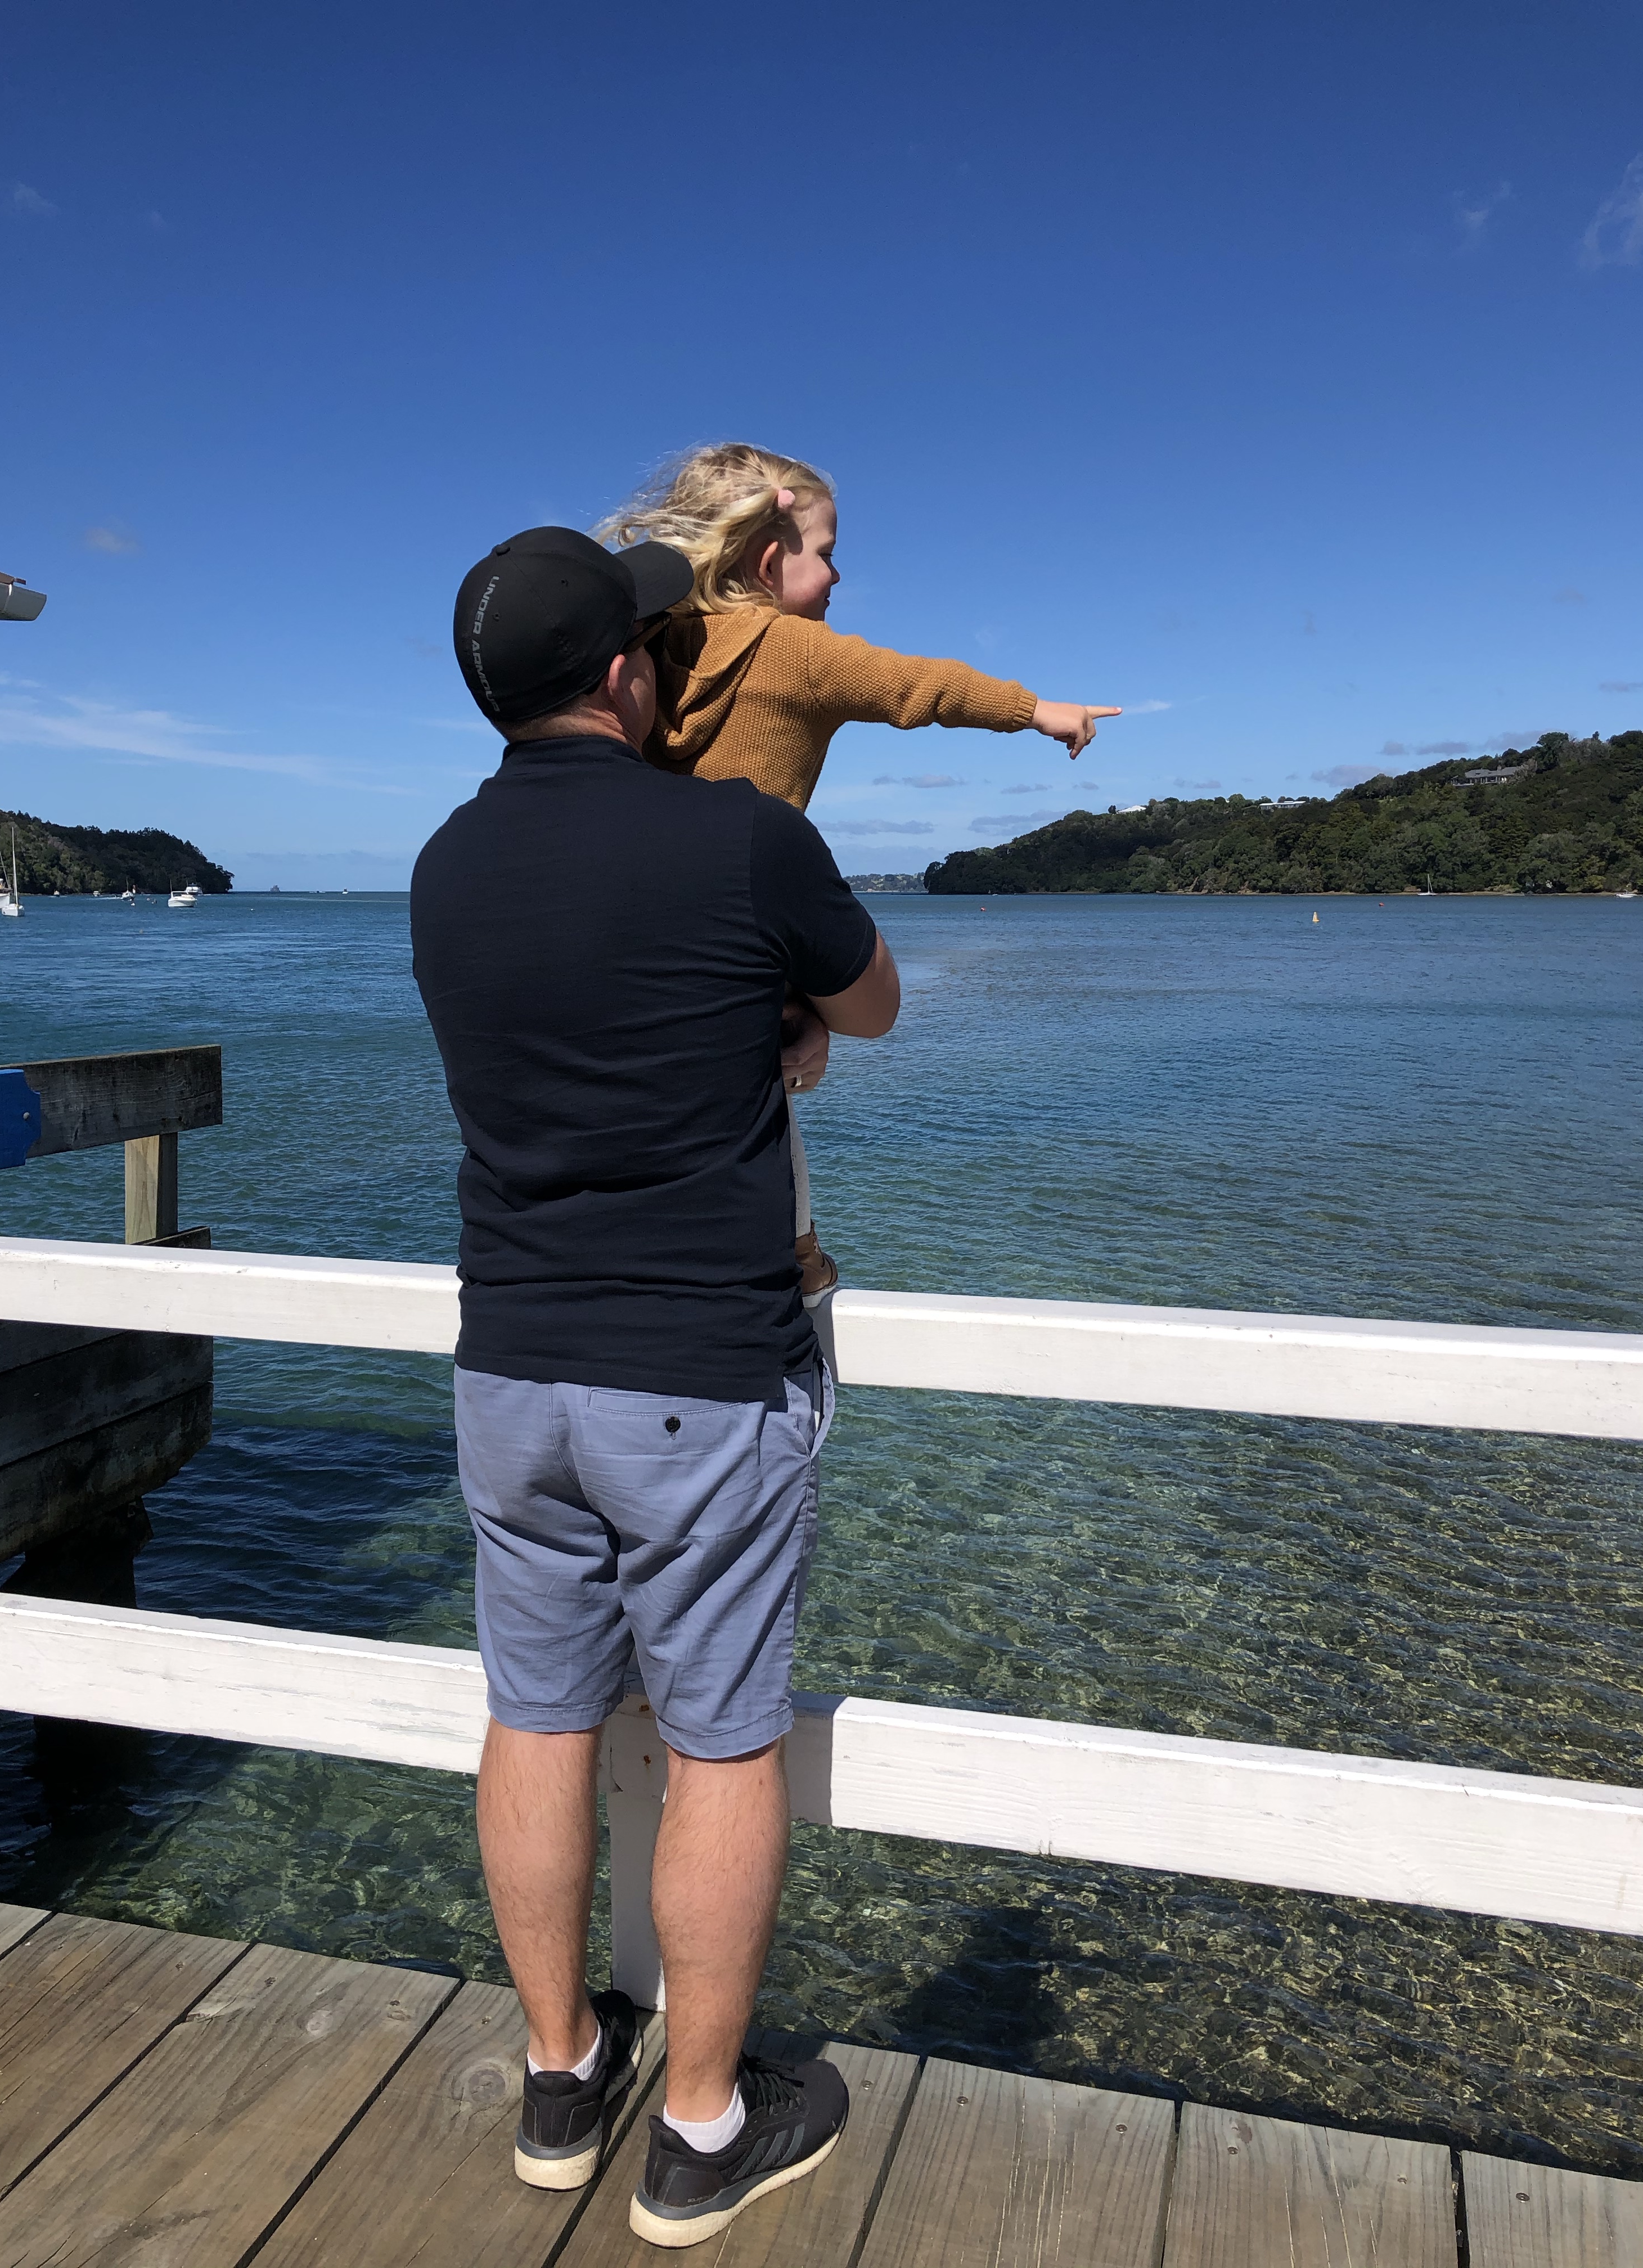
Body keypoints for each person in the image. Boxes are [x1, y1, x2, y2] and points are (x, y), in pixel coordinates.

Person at [410, 525, 901, 2249]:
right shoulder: (744, 840)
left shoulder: (442, 867)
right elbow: (872, 1003)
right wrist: (789, 1021)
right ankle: (699, 2129)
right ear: (627, 671)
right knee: (721, 1744)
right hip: (694, 1373)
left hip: (510, 1371)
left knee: (539, 1717)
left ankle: (561, 2080)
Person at [599, 442, 1119, 1294]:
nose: (839, 576)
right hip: (745, 925)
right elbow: (917, 686)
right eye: (828, 552)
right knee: (766, 1107)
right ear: (768, 560)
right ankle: (799, 1259)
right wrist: (1035, 710)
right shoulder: (793, 650)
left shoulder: (654, 649)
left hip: (645, 932)